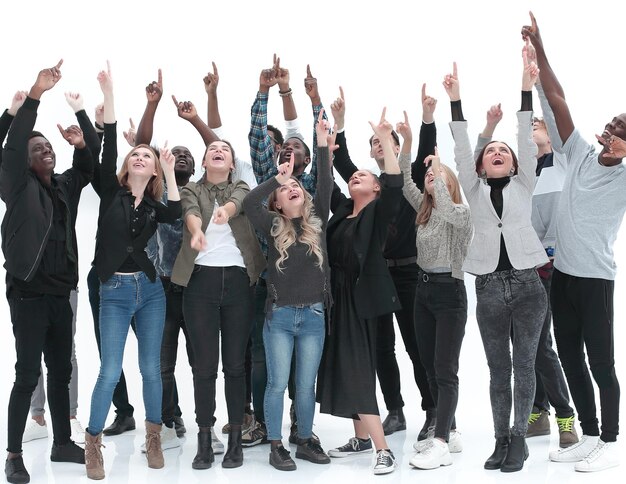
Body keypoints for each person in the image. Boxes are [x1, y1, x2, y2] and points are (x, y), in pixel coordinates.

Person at [523, 12, 625, 472]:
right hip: (562, 274)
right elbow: (557, 99)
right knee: (568, 355)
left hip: (596, 279)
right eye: (610, 127)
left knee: (602, 362)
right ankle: (586, 431)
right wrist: (540, 47)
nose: (609, 135)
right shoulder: (580, 152)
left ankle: (611, 439)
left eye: (619, 134)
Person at [447, 57, 548, 473]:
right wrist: (456, 101)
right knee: (497, 368)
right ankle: (500, 438)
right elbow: (461, 147)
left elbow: (526, 136)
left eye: (503, 151)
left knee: (525, 364)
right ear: (482, 165)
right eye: (491, 152)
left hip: (528, 284)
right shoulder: (473, 187)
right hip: (487, 284)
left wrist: (525, 89)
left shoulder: (526, 181)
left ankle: (520, 440)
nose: (498, 153)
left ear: (514, 161)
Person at [84, 63, 181, 480]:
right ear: (127, 167)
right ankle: (92, 443)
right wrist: (109, 97)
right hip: (115, 292)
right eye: (135, 154)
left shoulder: (156, 205)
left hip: (151, 291)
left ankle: (154, 435)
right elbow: (108, 151)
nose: (140, 157)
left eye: (147, 155)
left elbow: (175, 210)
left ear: (153, 169)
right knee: (109, 369)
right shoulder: (111, 192)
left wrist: (170, 169)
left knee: (151, 368)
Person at [1, 60, 91, 484]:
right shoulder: (17, 187)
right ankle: (14, 455)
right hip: (29, 295)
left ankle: (61, 441)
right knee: (25, 375)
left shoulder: (64, 186)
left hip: (61, 294)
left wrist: (80, 132)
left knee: (61, 371)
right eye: (38, 149)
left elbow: (91, 167)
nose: (46, 151)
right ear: (25, 159)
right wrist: (35, 96)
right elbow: (14, 143)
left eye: (49, 148)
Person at [330, 84, 437, 440]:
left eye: (383, 140)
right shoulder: (364, 186)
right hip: (374, 277)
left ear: (395, 146)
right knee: (380, 348)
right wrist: (340, 123)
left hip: (409, 272)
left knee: (416, 344)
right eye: (374, 141)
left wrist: (426, 119)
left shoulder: (408, 181)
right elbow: (342, 162)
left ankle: (434, 410)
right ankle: (394, 410)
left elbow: (424, 152)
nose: (378, 143)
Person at [475, 95, 578, 449]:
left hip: (552, 266)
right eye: (530, 124)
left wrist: (533, 79)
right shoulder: (518, 173)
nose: (534, 127)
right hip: (515, 270)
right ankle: (537, 411)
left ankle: (565, 415)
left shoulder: (563, 162)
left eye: (540, 125)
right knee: (523, 347)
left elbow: (553, 115)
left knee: (540, 347)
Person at [244, 111, 333, 471]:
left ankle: (306, 438)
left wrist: (323, 142)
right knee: (277, 383)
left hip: (313, 315)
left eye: (296, 183)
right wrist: (275, 179)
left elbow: (324, 181)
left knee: (305, 385)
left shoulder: (317, 220)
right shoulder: (271, 224)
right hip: (279, 317)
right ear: (278, 202)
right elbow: (251, 203)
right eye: (285, 188)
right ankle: (276, 444)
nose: (292, 186)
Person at [317, 108, 403, 475]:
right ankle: (361, 437)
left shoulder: (379, 212)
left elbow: (396, 184)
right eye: (353, 176)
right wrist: (324, 146)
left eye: (363, 175)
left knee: (357, 368)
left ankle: (383, 449)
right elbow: (326, 184)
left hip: (360, 299)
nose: (356, 176)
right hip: (334, 297)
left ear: (376, 187)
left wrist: (384, 137)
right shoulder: (341, 211)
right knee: (341, 364)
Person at [171, 138, 265, 470]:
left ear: (230, 161)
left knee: (236, 366)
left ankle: (236, 441)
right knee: (204, 367)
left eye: (224, 149)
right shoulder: (191, 190)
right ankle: (205, 440)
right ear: (205, 160)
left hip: (239, 283)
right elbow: (191, 213)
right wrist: (196, 232)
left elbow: (237, 201)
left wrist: (225, 210)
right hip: (200, 284)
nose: (218, 151)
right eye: (213, 149)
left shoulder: (239, 186)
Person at [396, 116, 472, 470]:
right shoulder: (424, 212)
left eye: (438, 177)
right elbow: (405, 183)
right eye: (430, 176)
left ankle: (440, 441)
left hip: (449, 294)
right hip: (423, 294)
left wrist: (440, 171)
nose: (431, 178)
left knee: (445, 369)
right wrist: (408, 144)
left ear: (448, 183)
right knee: (427, 365)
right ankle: (450, 429)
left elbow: (448, 206)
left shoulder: (460, 213)